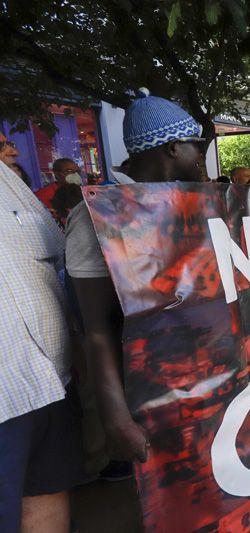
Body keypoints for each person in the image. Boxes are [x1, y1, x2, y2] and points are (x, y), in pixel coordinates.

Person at [66, 88, 206, 466]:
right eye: (198, 148)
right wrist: (116, 419)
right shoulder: (97, 216)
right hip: (140, 389)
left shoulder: (181, 205)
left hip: (186, 382)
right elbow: (96, 327)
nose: (201, 161)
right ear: (174, 148)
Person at [0, 161, 85, 531]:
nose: (12, 147)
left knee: (47, 491)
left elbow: (54, 256)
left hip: (52, 380)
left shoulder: (7, 181)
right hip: (5, 401)